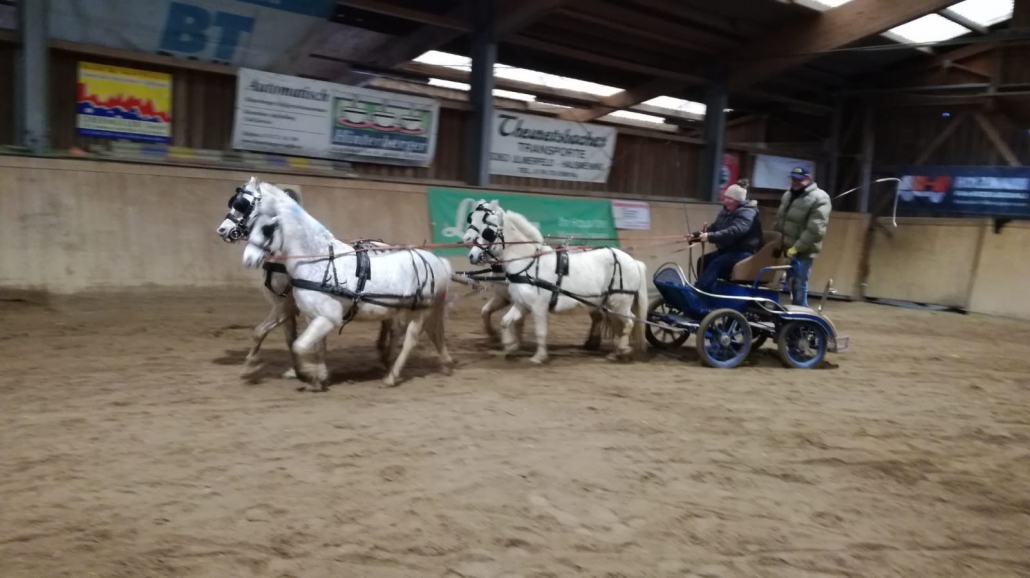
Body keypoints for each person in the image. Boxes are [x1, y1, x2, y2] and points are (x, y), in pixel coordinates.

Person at [773, 166, 832, 307]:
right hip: (787, 248)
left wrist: (797, 248)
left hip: (804, 250)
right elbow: (780, 220)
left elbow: (815, 230)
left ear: (808, 178)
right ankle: (795, 313)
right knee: (790, 282)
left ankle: (801, 316)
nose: (795, 182)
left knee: (799, 284)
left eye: (799, 179)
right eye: (793, 178)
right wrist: (777, 242)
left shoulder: (820, 198)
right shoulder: (788, 195)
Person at [694, 179, 763, 291]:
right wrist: (698, 235)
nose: (726, 201)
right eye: (725, 197)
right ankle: (709, 288)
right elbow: (715, 227)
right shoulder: (726, 211)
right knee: (703, 260)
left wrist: (710, 236)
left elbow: (735, 231)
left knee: (717, 263)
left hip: (743, 251)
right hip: (728, 250)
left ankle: (701, 290)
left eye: (730, 198)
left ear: (738, 201)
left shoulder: (747, 212)